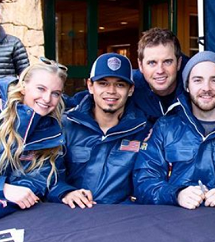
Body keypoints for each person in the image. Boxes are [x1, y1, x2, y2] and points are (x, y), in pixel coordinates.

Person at [134, 51, 215, 209]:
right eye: (198, 80)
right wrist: (176, 194)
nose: (206, 88)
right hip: (171, 225)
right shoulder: (165, 128)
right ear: (187, 86)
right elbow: (143, 182)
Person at [0, 58, 68, 225]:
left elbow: (32, 185)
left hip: (4, 217)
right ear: (23, 87)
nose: (47, 98)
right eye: (40, 88)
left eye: (55, 93)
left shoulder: (51, 132)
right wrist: (2, 188)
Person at [47, 53, 151, 208]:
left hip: (123, 218)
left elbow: (149, 180)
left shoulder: (143, 131)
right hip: (73, 215)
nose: (111, 91)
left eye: (120, 85)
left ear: (131, 90)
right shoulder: (66, 125)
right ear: (90, 86)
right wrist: (65, 192)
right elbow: (48, 172)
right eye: (103, 83)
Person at [129, 28, 189, 122]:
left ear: (179, 63)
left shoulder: (194, 86)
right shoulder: (129, 85)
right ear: (140, 65)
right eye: (152, 63)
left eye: (167, 62)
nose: (160, 70)